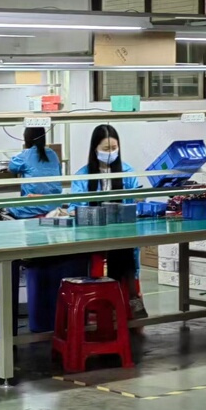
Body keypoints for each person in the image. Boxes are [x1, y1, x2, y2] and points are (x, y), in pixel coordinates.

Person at [71, 124, 147, 320]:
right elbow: (75, 207)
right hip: (92, 236)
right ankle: (104, 308)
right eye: (106, 148)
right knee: (101, 261)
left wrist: (139, 200)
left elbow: (136, 203)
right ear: (95, 148)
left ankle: (130, 305)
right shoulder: (83, 176)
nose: (111, 152)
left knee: (125, 256)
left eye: (114, 148)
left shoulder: (127, 172)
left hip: (121, 235)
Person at [0, 126, 63, 220]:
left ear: (27, 137)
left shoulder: (25, 155)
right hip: (54, 206)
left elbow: (12, 167)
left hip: (33, 207)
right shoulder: (53, 154)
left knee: (1, 211)